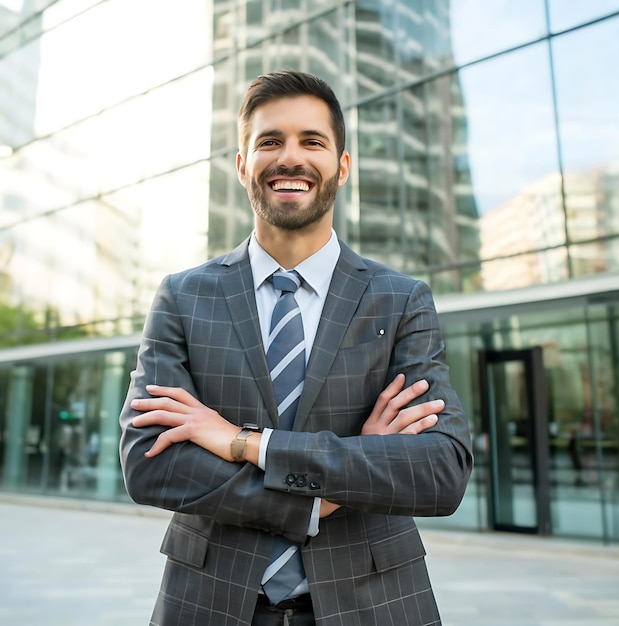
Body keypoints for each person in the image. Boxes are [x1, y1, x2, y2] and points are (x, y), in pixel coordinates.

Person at [119, 70, 472, 626]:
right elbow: (149, 464)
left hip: (374, 605)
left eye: (312, 141)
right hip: (209, 604)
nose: (290, 158)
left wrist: (243, 443)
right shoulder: (184, 296)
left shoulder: (401, 301)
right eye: (269, 141)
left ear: (343, 165)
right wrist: (330, 489)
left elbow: (439, 470)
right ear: (242, 166)